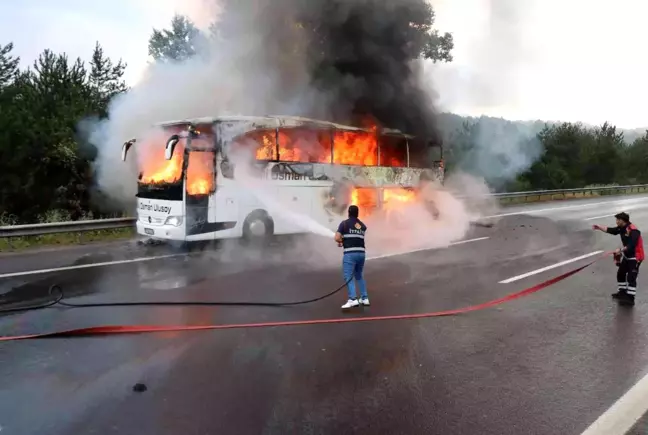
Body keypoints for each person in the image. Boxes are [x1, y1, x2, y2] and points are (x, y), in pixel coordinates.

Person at [592, 212, 644, 306]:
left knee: (631, 277)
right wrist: (599, 227)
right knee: (621, 273)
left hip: (636, 257)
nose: (616, 221)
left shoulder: (633, 230)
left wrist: (620, 250)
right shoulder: (622, 228)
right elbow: (611, 230)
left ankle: (630, 298)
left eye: (617, 220)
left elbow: (632, 245)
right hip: (627, 256)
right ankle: (622, 292)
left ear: (622, 220)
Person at [335, 205, 370, 309]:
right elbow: (355, 237)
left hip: (350, 254)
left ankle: (353, 299)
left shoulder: (344, 224)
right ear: (357, 213)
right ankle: (365, 298)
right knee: (359, 275)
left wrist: (341, 241)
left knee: (348, 276)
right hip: (361, 254)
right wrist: (344, 240)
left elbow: (337, 237)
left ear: (349, 213)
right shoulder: (362, 225)